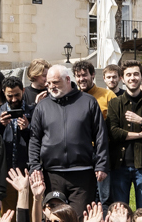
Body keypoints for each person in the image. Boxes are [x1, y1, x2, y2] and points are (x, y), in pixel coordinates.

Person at [28, 61, 109, 208]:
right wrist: (35, 166)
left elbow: (100, 135)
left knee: (80, 218)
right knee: (54, 218)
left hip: (82, 173)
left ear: (67, 80)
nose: (51, 86)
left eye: (55, 82)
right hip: (52, 174)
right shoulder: (42, 106)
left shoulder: (88, 102)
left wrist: (101, 164)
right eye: (49, 83)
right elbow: (34, 139)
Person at [106, 61, 142, 210]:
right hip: (119, 165)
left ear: (141, 77)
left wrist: (141, 121)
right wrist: (141, 134)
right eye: (129, 75)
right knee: (120, 210)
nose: (132, 78)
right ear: (122, 78)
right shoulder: (114, 103)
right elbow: (114, 133)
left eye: (136, 74)